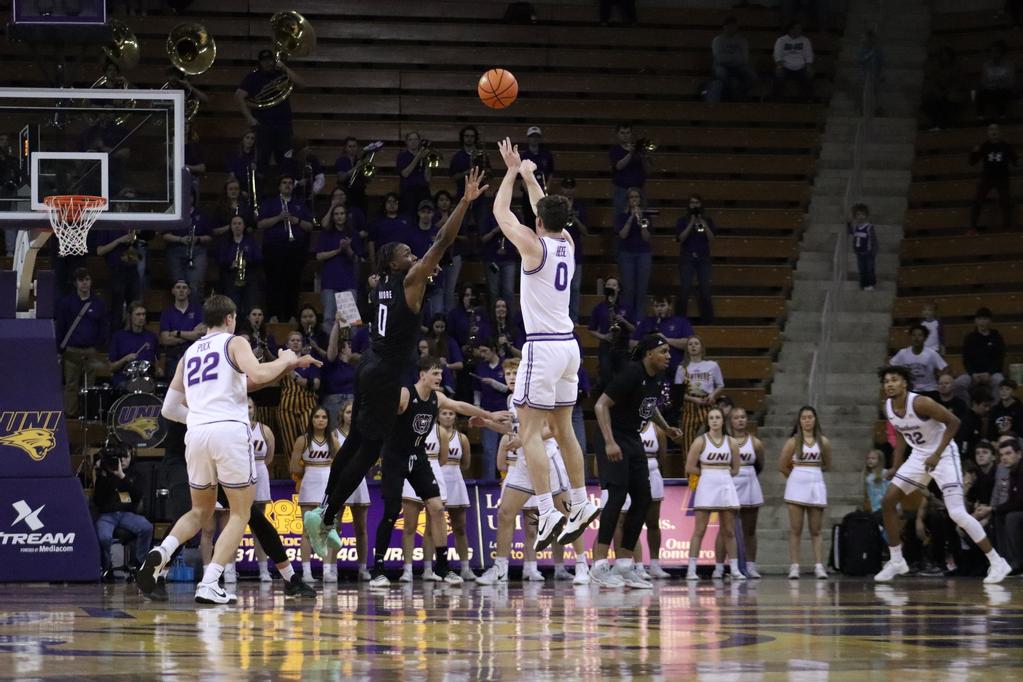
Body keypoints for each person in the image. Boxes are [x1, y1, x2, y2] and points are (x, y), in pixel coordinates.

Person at [305, 168, 488, 552]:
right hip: (386, 372)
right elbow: (442, 240)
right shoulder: (407, 281)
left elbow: (397, 280)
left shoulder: (381, 286)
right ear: (393, 263)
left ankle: (323, 510)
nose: (414, 254)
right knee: (368, 450)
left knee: (355, 440)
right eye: (407, 253)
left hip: (370, 364)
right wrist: (465, 202)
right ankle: (326, 517)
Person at [141, 294, 321, 604]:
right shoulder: (234, 342)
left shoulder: (189, 353)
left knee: (200, 511)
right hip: (228, 432)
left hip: (196, 435)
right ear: (230, 319)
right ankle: (210, 583)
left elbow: (170, 407)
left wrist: (286, 366)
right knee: (240, 513)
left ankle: (162, 551)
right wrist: (287, 359)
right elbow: (259, 374)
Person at [494, 138, 600, 549]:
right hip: (570, 346)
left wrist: (509, 170)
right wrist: (530, 176)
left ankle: (548, 508)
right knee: (564, 428)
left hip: (541, 347)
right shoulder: (567, 244)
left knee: (532, 430)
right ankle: (578, 499)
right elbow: (545, 211)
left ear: (538, 221)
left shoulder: (533, 245)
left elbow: (501, 213)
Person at [366, 356, 509, 586]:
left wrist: (489, 415)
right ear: (422, 374)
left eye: (441, 374)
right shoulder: (405, 394)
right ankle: (378, 569)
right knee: (392, 512)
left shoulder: (437, 397)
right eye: (435, 373)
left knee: (436, 507)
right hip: (395, 457)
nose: (440, 377)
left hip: (419, 456)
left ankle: (443, 567)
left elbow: (460, 406)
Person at [873, 365, 1012, 584]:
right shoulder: (888, 406)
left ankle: (997, 562)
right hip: (919, 456)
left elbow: (954, 422)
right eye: (886, 381)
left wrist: (937, 454)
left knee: (957, 513)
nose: (889, 384)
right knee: (888, 501)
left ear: (905, 383)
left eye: (894, 380)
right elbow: (900, 435)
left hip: (944, 454)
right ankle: (897, 560)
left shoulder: (920, 402)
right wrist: (895, 465)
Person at [476, 358, 589, 585]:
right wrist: (487, 423)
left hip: (546, 458)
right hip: (522, 462)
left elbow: (552, 429)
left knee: (567, 513)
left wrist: (524, 440)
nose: (510, 377)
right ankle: (500, 568)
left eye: (515, 372)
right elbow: (512, 429)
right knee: (505, 513)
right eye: (507, 373)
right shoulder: (511, 399)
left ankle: (582, 564)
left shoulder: (539, 394)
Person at [591, 335, 682, 588]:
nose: (668, 356)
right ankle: (599, 565)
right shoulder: (632, 373)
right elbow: (601, 405)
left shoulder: (656, 377)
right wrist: (609, 442)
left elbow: (648, 406)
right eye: (663, 351)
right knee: (617, 496)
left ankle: (623, 565)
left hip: (631, 437)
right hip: (612, 435)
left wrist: (666, 427)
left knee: (643, 497)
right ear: (649, 353)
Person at [685, 407, 742, 581]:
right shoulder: (700, 441)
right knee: (699, 530)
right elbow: (689, 467)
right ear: (708, 421)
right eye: (712, 418)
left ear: (722, 420)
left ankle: (734, 569)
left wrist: (721, 474)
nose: (715, 420)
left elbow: (736, 469)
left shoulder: (731, 442)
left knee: (729, 530)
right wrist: (708, 474)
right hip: (706, 485)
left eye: (718, 417)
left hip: (725, 484)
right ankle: (691, 569)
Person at [779, 406, 831, 580]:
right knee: (796, 529)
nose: (807, 421)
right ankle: (794, 566)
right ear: (799, 421)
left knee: (816, 529)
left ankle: (818, 565)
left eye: (810, 417)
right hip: (796, 485)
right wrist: (795, 477)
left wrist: (811, 474)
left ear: (815, 420)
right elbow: (782, 465)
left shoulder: (823, 441)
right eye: (804, 418)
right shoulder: (793, 441)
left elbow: (827, 463)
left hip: (816, 483)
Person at [256, 174, 314, 323]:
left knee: (292, 284)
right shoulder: (270, 203)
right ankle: (274, 315)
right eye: (284, 183)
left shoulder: (300, 204)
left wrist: (297, 220)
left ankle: (291, 316)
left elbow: (310, 226)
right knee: (274, 284)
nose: (287, 185)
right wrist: (278, 218)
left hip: (295, 251)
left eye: (290, 183)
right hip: (274, 251)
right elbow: (260, 224)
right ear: (279, 186)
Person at [235, 49, 304, 171]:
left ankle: (284, 188)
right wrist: (249, 118)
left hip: (283, 125)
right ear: (260, 62)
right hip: (263, 126)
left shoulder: (282, 74)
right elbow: (238, 96)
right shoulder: (253, 77)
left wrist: (284, 67)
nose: (267, 63)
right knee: (261, 163)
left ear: (274, 61)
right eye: (264, 60)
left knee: (286, 162)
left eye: (270, 60)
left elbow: (301, 83)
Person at [291, 406, 338, 584]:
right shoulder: (302, 440)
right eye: (317, 416)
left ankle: (327, 571)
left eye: (324, 417)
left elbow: (340, 463)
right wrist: (307, 471)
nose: (320, 420)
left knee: (327, 528)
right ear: (311, 419)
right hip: (309, 484)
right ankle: (306, 572)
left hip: (328, 485)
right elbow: (293, 467)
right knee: (306, 531)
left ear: (328, 420)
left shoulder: (333, 440)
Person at [716, 407, 765, 579]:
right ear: (730, 421)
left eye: (743, 417)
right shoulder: (724, 442)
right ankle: (719, 566)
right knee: (724, 529)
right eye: (736, 417)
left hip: (750, 482)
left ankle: (751, 566)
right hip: (729, 482)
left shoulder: (756, 443)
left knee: (749, 530)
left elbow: (760, 464)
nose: (740, 420)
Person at [93, 446, 153, 582]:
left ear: (131, 458)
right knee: (104, 537)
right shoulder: (105, 473)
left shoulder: (136, 474)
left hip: (127, 513)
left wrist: (121, 475)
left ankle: (139, 563)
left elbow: (137, 496)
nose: (122, 461)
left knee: (147, 527)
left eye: (126, 457)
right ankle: (107, 568)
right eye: (120, 458)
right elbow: (98, 500)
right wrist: (102, 474)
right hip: (107, 515)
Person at [56, 268, 108, 418]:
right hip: (71, 350)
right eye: (81, 280)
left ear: (91, 282)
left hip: (91, 350)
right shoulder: (67, 303)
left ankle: (87, 414)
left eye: (87, 279)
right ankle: (70, 415)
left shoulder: (99, 303)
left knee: (89, 386)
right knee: (71, 384)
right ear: (75, 283)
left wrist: (98, 346)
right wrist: (59, 350)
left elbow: (104, 326)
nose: (84, 283)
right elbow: (61, 327)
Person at [334, 400, 372, 581]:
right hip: (341, 480)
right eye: (349, 412)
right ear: (342, 414)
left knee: (361, 528)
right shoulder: (333, 435)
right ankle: (331, 566)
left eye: (354, 412)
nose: (352, 415)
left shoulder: (365, 434)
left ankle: (363, 568)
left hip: (359, 480)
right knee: (335, 526)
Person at [317, 202, 363, 334]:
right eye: (336, 214)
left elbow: (356, 259)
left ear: (346, 216)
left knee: (350, 321)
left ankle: (350, 351)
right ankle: (330, 349)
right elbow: (319, 256)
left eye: (342, 213)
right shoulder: (326, 234)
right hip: (330, 283)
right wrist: (338, 250)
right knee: (328, 319)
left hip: (348, 282)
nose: (339, 217)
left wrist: (347, 248)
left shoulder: (353, 234)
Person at [674, 336, 725, 451]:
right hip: (689, 407)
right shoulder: (682, 368)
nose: (693, 346)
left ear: (702, 347)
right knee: (688, 442)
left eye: (696, 343)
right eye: (690, 344)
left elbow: (721, 385)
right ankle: (689, 467)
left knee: (710, 440)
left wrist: (712, 395)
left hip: (707, 405)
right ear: (687, 348)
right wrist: (693, 400)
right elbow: (678, 393)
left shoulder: (712, 365)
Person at [276, 331, 321, 455]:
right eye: (292, 340)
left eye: (298, 340)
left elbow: (316, 384)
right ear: (287, 344)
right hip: (286, 407)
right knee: (289, 443)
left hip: (308, 405)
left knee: (310, 441)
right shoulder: (280, 362)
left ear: (302, 344)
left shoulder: (310, 361)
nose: (295, 342)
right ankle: (293, 473)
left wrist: (295, 376)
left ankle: (310, 469)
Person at [631, 294, 693, 381]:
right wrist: (648, 342)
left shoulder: (681, 322)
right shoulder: (646, 322)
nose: (659, 309)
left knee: (677, 394)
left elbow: (689, 343)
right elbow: (632, 343)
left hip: (676, 371)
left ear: (670, 306)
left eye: (662, 305)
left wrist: (666, 340)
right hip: (652, 372)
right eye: (656, 306)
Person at [969, 124, 1017, 234]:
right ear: (988, 133)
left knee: (1006, 202)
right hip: (987, 178)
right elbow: (972, 162)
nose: (993, 131)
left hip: (1002, 178)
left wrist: (1015, 158)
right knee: (977, 202)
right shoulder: (984, 146)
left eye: (996, 129)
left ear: (1000, 132)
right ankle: (972, 228)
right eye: (991, 129)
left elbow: (1015, 161)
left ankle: (1007, 228)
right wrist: (974, 152)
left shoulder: (1006, 146)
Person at [248, 397, 276, 582]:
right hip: (238, 473)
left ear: (254, 409)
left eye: (249, 406)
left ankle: (263, 569)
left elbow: (269, 457)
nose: (247, 409)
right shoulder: (233, 429)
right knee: (234, 525)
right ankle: (228, 569)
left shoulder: (264, 430)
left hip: (259, 470)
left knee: (260, 525)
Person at [94, 228, 143, 333]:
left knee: (135, 307)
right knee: (116, 309)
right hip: (116, 270)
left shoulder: (132, 222)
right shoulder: (108, 225)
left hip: (133, 270)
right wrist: (119, 240)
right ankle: (115, 339)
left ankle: (135, 338)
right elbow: (99, 251)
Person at [675, 195, 715, 322]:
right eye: (692, 203)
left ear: (701, 204)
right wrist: (692, 222)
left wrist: (703, 224)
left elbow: (711, 238)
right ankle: (680, 320)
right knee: (685, 288)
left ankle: (708, 321)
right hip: (687, 257)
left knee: (705, 289)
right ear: (688, 205)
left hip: (703, 258)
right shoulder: (682, 220)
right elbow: (680, 238)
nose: (694, 205)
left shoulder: (707, 220)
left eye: (697, 202)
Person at [474, 340, 510, 482]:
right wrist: (477, 405)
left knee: (509, 449)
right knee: (489, 451)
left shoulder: (505, 365)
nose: (482, 354)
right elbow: (477, 389)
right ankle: (488, 483)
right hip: (488, 413)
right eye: (480, 351)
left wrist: (494, 383)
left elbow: (510, 388)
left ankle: (507, 481)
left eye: (485, 351)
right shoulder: (480, 367)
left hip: (506, 413)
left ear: (493, 349)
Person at [953, 307, 1006, 401]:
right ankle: (968, 410)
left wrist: (989, 373)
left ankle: (994, 411)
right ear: (975, 321)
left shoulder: (997, 337)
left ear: (990, 321)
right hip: (973, 375)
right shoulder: (970, 338)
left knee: (1000, 381)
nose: (982, 322)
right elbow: (966, 360)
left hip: (992, 374)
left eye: (985, 319)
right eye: (979, 319)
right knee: (958, 384)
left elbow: (999, 359)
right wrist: (973, 373)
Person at [616, 187, 652, 317]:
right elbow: (623, 235)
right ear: (627, 200)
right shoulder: (621, 216)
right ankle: (628, 318)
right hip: (626, 254)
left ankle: (639, 319)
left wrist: (641, 221)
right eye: (632, 197)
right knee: (628, 289)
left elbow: (646, 237)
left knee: (641, 290)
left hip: (643, 253)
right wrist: (631, 218)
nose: (634, 200)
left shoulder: (646, 216)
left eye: (637, 197)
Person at [218, 215, 262, 318]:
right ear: (231, 226)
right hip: (231, 277)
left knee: (250, 304)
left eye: (239, 223)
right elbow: (220, 259)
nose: (237, 226)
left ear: (244, 226)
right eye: (234, 224)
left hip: (249, 276)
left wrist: (248, 263)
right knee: (233, 306)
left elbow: (259, 258)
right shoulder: (225, 242)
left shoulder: (251, 241)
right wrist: (230, 264)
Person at [108, 301, 158, 390]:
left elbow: (156, 363)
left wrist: (158, 370)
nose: (141, 317)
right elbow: (111, 367)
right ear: (130, 316)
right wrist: (124, 359)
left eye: (143, 314)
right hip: (124, 381)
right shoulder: (118, 337)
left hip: (146, 380)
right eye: (138, 314)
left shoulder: (151, 337)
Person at [707, 16, 758, 103]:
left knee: (753, 76)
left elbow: (745, 58)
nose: (731, 28)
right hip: (721, 66)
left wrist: (729, 57)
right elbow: (719, 58)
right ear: (724, 27)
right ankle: (729, 96)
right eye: (729, 26)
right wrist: (736, 57)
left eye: (733, 26)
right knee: (721, 74)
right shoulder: (717, 40)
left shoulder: (742, 41)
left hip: (739, 66)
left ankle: (739, 93)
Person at [560, 177, 590, 321]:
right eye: (566, 187)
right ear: (562, 189)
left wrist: (575, 218)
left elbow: (585, 232)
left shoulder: (580, 207)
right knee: (561, 288)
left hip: (575, 253)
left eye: (571, 187)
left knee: (575, 288)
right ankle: (562, 318)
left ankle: (574, 319)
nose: (568, 191)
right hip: (559, 253)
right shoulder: (557, 206)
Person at [889, 324, 949, 394]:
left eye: (920, 335)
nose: (916, 338)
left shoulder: (931, 353)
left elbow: (946, 368)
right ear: (910, 337)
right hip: (909, 390)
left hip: (930, 390)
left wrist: (941, 381)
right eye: (914, 335)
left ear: (925, 338)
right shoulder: (902, 353)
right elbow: (890, 366)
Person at [991, 437, 1023, 572]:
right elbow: (1012, 501)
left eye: (1008, 453)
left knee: (1012, 517)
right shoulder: (1012, 472)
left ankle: (1017, 563)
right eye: (1002, 455)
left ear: (1019, 454)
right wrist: (993, 510)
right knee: (998, 515)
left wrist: (993, 508)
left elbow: (1020, 503)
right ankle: (1005, 561)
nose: (1004, 458)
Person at [609, 123, 651, 216]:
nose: (625, 135)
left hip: (639, 190)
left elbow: (648, 168)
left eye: (628, 133)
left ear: (631, 134)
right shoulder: (615, 149)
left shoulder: (639, 149)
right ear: (618, 134)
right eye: (622, 133)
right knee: (621, 217)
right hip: (622, 190)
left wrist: (644, 156)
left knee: (642, 217)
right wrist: (630, 153)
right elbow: (619, 166)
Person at [921, 47, 967, 130]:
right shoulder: (935, 68)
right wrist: (938, 92)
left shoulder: (957, 68)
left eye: (946, 55)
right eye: (943, 55)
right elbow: (932, 82)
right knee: (928, 100)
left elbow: (960, 82)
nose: (944, 57)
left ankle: (947, 124)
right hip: (939, 93)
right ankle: (937, 123)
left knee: (951, 98)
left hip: (954, 92)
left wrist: (948, 91)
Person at [520, 126, 556, 226]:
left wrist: (546, 189)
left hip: (544, 194)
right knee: (529, 221)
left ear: (539, 138)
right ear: (528, 138)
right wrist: (531, 193)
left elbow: (551, 173)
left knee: (544, 221)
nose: (534, 139)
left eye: (536, 136)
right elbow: (521, 178)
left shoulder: (547, 155)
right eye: (532, 136)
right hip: (527, 195)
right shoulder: (523, 156)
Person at [773, 21, 814, 99]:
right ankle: (776, 99)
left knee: (809, 77)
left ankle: (808, 101)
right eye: (797, 28)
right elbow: (778, 54)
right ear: (790, 30)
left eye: (800, 29)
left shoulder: (805, 40)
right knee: (778, 77)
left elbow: (808, 54)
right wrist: (779, 66)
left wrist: (809, 66)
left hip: (801, 67)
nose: (799, 30)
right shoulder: (781, 40)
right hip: (785, 66)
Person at [977, 41, 1016, 120]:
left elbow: (1011, 81)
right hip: (990, 90)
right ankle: (980, 118)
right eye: (993, 52)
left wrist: (1001, 85)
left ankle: (1003, 116)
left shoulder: (1009, 65)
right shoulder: (986, 65)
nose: (994, 54)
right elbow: (983, 81)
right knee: (980, 94)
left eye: (997, 52)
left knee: (1002, 94)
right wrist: (991, 86)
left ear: (1002, 53)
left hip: (1004, 89)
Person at [334, 137, 370, 215]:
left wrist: (368, 169)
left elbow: (368, 180)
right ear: (345, 148)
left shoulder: (361, 161)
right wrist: (356, 167)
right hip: (346, 195)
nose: (352, 149)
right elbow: (341, 178)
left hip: (360, 196)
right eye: (350, 146)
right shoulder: (340, 161)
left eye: (354, 146)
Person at [848, 203, 877, 291]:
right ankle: (863, 284)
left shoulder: (869, 227)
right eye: (858, 215)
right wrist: (848, 223)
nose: (860, 217)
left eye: (862, 214)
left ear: (866, 215)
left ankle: (870, 284)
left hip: (868, 252)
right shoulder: (856, 227)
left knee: (869, 269)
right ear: (855, 216)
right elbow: (851, 232)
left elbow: (873, 240)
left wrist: (873, 252)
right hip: (859, 253)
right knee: (861, 270)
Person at [863, 448, 890, 517]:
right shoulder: (868, 476)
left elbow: (890, 489)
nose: (870, 460)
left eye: (873, 458)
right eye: (868, 458)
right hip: (874, 507)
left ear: (880, 461)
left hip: (885, 507)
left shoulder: (885, 473)